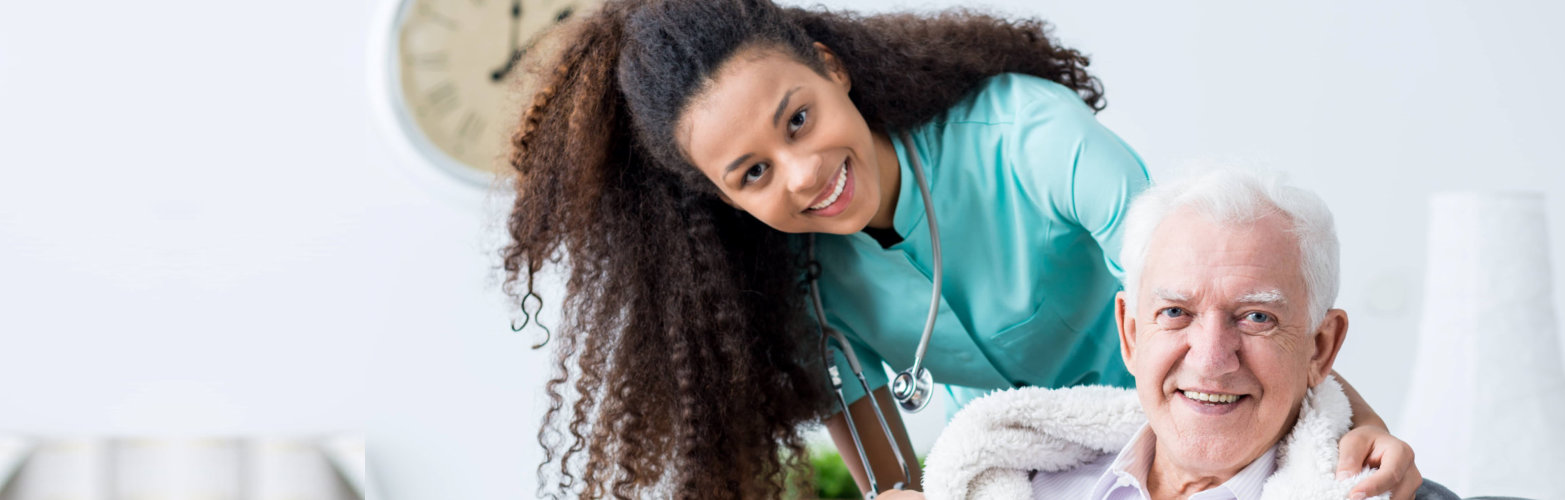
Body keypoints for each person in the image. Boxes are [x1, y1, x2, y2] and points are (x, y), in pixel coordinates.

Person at [500, 1, 1420, 498]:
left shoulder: (1029, 139)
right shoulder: (798, 290)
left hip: (1203, 431)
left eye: (799, 118)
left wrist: (1364, 432)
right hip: (1036, 473)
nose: (804, 171)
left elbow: (1224, 306)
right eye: (752, 172)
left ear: (830, 67)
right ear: (722, 197)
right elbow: (894, 476)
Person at [903, 169, 1459, 500]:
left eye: (1256, 317)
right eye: (1176, 312)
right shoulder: (1012, 477)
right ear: (1129, 332)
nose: (1213, 358)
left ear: (1320, 346)